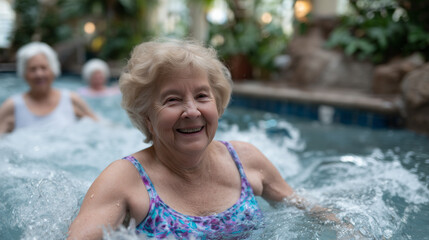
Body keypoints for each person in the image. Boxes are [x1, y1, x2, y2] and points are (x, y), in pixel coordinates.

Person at [67, 39, 345, 240]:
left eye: (202, 96)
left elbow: (307, 209)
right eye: (172, 100)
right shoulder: (124, 180)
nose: (192, 111)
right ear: (147, 118)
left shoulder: (245, 160)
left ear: (218, 104)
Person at [0, 42, 98, 134]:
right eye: (32, 69)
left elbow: (100, 127)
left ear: (53, 70)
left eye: (44, 68)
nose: (39, 74)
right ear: (24, 74)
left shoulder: (71, 100)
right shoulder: (12, 106)